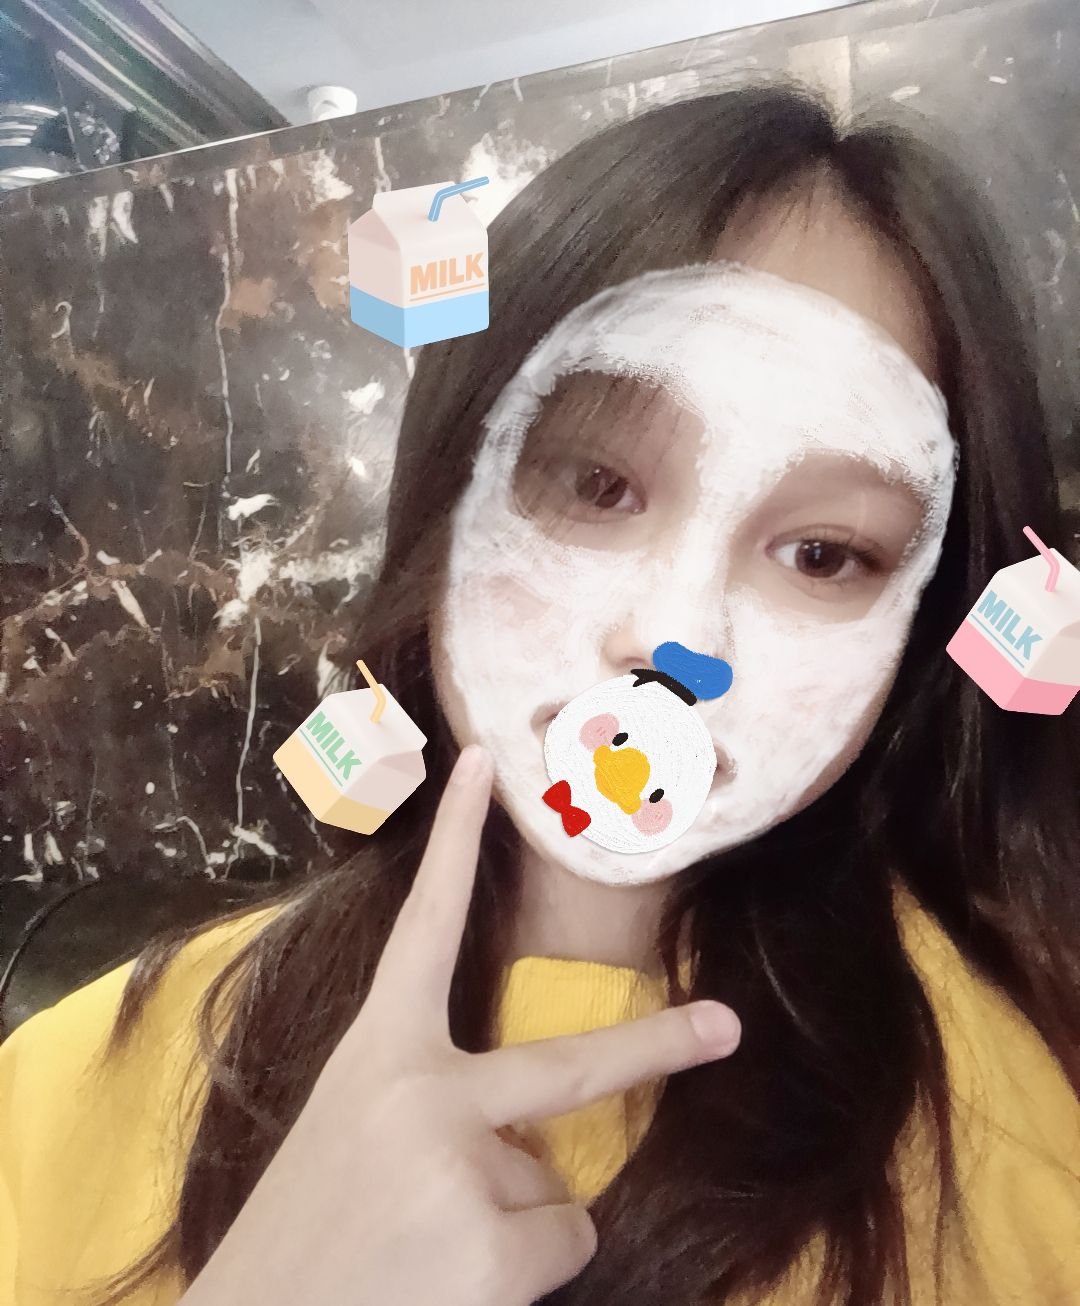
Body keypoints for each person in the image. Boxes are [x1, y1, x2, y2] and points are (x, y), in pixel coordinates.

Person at [2, 78, 1079, 1306]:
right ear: (451, 489)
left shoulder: (1029, 1161)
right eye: (597, 484)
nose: (674, 638)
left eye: (825, 552)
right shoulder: (66, 1088)